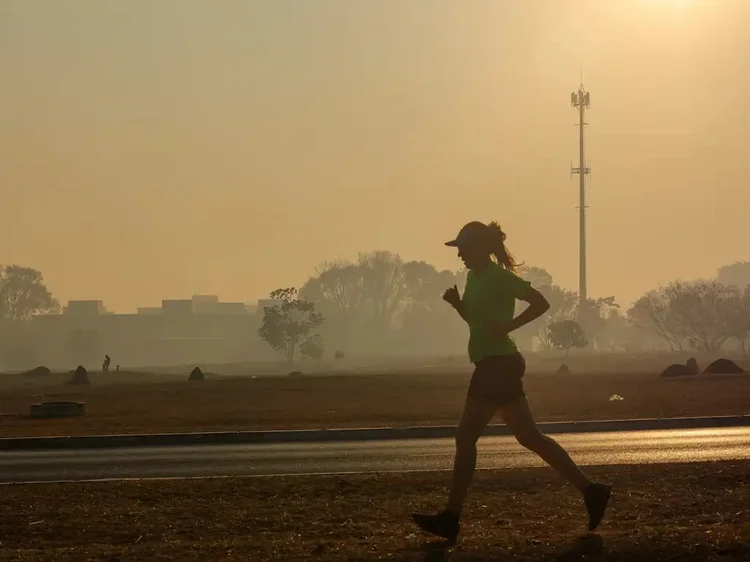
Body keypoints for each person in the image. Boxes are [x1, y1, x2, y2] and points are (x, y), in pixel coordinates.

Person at [412, 221, 611, 542]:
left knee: (465, 438)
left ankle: (451, 517)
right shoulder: (472, 278)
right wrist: (458, 305)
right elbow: (477, 322)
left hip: (497, 366)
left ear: (479, 247)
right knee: (529, 437)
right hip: (495, 363)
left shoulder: (499, 277)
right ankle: (591, 490)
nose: (459, 254)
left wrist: (509, 326)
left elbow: (541, 302)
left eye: (462, 247)